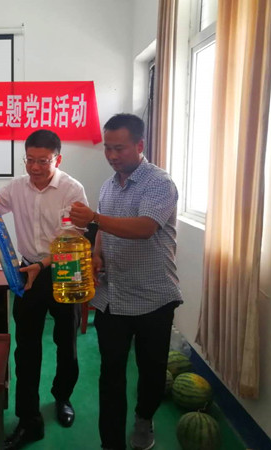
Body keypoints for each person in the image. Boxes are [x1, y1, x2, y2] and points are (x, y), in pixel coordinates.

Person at [69, 113, 183, 450]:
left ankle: (144, 419)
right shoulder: (108, 186)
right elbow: (103, 231)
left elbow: (145, 227)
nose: (112, 155)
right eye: (108, 148)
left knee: (151, 371)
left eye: (119, 148)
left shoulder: (159, 183)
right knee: (111, 374)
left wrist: (94, 217)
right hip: (113, 297)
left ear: (139, 145)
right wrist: (97, 255)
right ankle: (111, 443)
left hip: (154, 297)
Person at [0, 129, 87, 450]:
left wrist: (44, 265)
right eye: (30, 160)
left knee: (66, 341)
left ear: (57, 159)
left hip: (63, 269)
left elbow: (74, 235)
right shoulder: (16, 187)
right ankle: (28, 419)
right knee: (26, 348)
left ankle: (62, 396)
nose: (35, 167)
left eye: (43, 161)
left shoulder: (72, 189)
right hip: (27, 273)